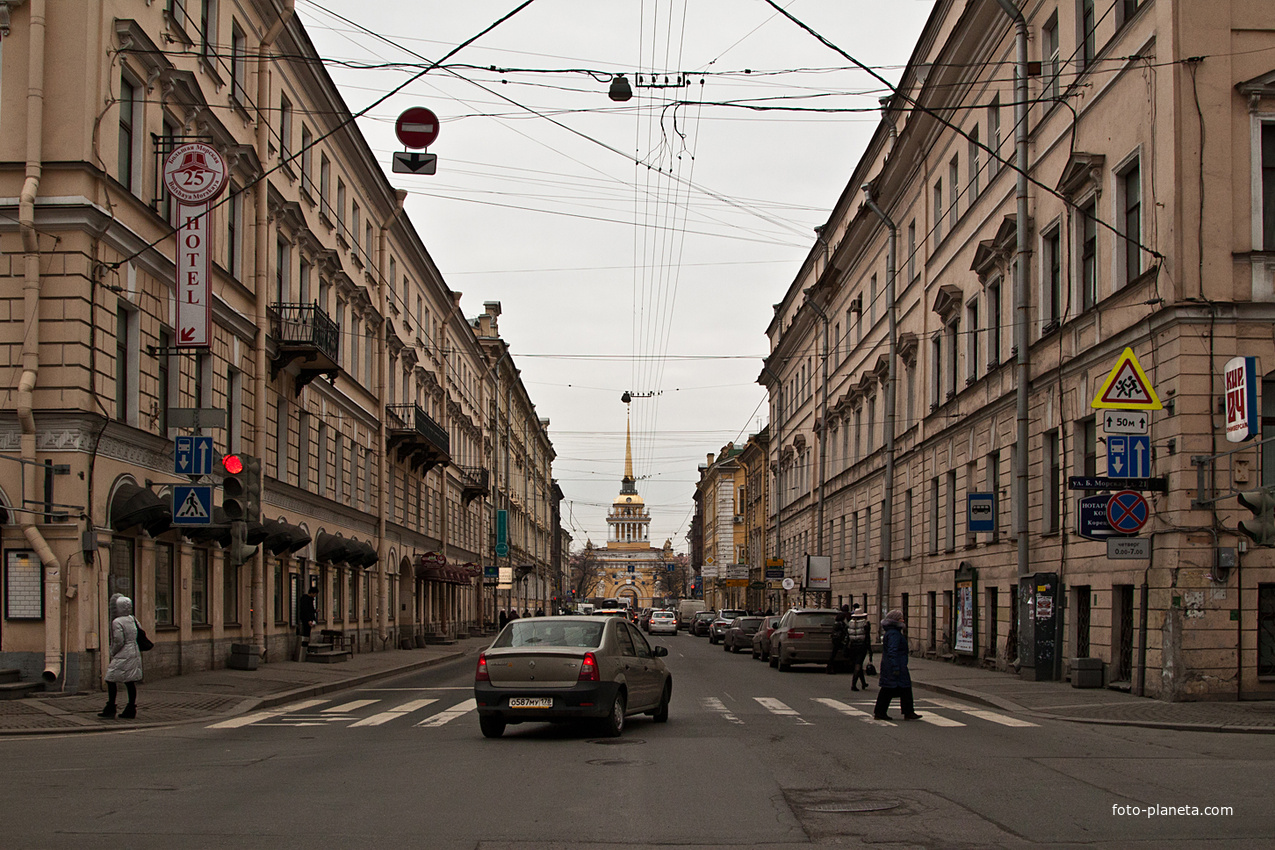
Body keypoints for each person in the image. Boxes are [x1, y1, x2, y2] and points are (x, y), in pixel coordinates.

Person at [873, 608, 921, 721]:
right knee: (891, 689)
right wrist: (895, 666)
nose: (903, 620)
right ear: (895, 620)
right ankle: (882, 712)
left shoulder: (892, 632)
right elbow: (892, 651)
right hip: (895, 665)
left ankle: (907, 711)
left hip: (895, 665)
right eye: (900, 618)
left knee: (901, 689)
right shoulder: (894, 634)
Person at [100, 595, 143, 719]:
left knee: (110, 678)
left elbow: (118, 640)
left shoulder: (117, 621)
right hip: (134, 650)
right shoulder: (132, 618)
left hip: (123, 652)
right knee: (130, 681)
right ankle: (131, 707)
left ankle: (111, 707)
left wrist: (112, 652)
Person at [847, 603, 874, 691]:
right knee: (858, 664)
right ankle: (853, 684)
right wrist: (870, 650)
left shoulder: (850, 623)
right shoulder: (865, 624)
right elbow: (867, 637)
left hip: (852, 645)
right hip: (861, 646)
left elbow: (848, 635)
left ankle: (863, 683)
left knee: (857, 664)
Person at [297, 586, 318, 661]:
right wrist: (308, 620)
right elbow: (306, 611)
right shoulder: (306, 599)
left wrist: (315, 611)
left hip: (309, 619)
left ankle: (306, 649)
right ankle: (304, 649)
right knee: (306, 634)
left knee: (307, 634)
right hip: (306, 620)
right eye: (315, 594)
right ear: (312, 593)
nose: (315, 596)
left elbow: (310, 610)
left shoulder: (309, 599)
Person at [826, 609, 850, 674]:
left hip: (836, 640)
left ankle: (830, 666)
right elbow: (845, 631)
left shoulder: (836, 623)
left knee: (833, 654)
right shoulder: (841, 624)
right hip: (839, 640)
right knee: (846, 651)